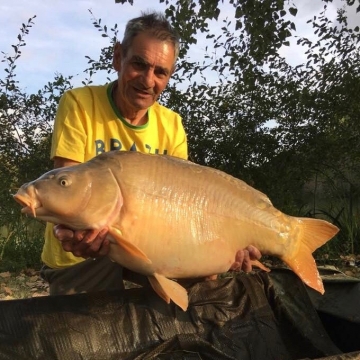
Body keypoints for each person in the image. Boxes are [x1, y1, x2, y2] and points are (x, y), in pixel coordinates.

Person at [40, 11, 262, 296]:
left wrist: (228, 247)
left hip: (152, 250)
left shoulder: (171, 125)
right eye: (139, 64)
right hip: (81, 256)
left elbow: (189, 207)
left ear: (169, 76)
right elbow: (66, 193)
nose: (147, 80)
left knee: (209, 283)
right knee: (91, 333)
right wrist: (68, 232)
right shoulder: (79, 104)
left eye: (160, 72)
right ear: (118, 57)